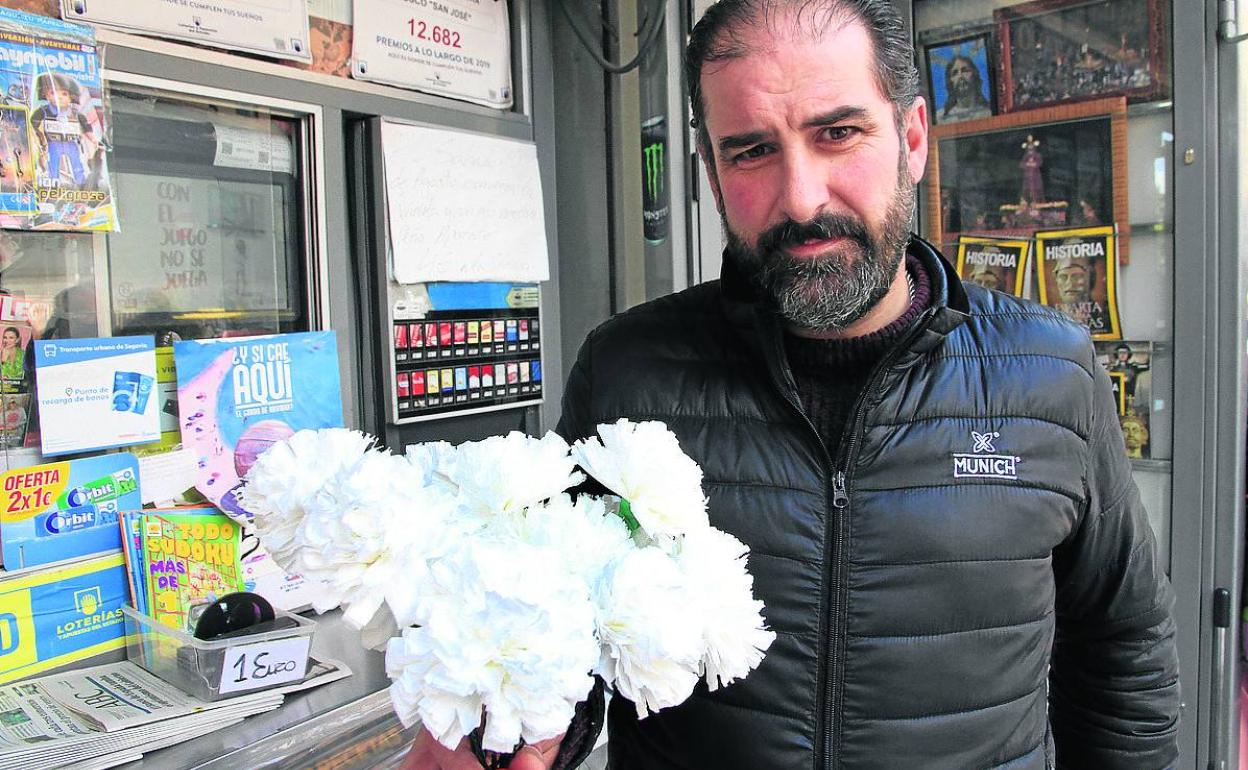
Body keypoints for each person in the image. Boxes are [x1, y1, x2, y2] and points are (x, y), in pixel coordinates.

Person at [405, 1, 1179, 768]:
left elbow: (1121, 642)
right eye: (750, 152)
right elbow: (565, 638)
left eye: (838, 133)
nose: (802, 198)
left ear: (912, 138)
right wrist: (498, 735)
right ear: (710, 170)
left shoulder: (1047, 372)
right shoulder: (626, 373)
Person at [940, 53, 991, 122]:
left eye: (965, 70)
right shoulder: (941, 118)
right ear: (950, 81)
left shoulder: (988, 112)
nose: (960, 76)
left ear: (974, 76)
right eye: (955, 73)